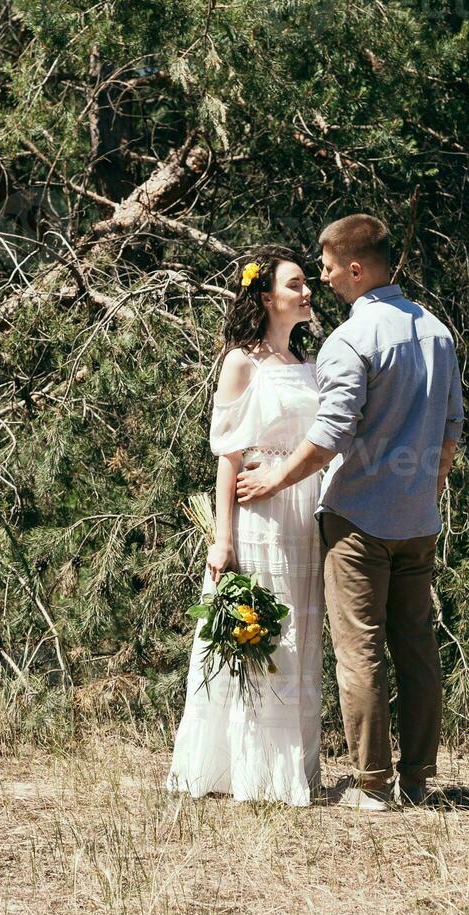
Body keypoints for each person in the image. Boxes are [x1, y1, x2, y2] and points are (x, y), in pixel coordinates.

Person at [235, 214, 464, 811]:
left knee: (359, 651)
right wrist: (426, 495)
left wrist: (275, 478)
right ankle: (416, 779)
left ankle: (373, 785)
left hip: (358, 520)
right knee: (416, 649)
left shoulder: (351, 340)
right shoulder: (438, 332)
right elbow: (450, 435)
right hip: (418, 523)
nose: (326, 279)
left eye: (331, 268)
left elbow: (330, 435)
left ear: (357, 268)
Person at [166, 246, 326, 807]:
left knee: (300, 636)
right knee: (259, 634)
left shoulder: (311, 364)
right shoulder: (242, 362)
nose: (307, 292)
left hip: (304, 513)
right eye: (296, 284)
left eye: (308, 284)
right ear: (266, 296)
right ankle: (247, 767)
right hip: (258, 512)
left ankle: (294, 768)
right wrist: (223, 536)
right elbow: (228, 456)